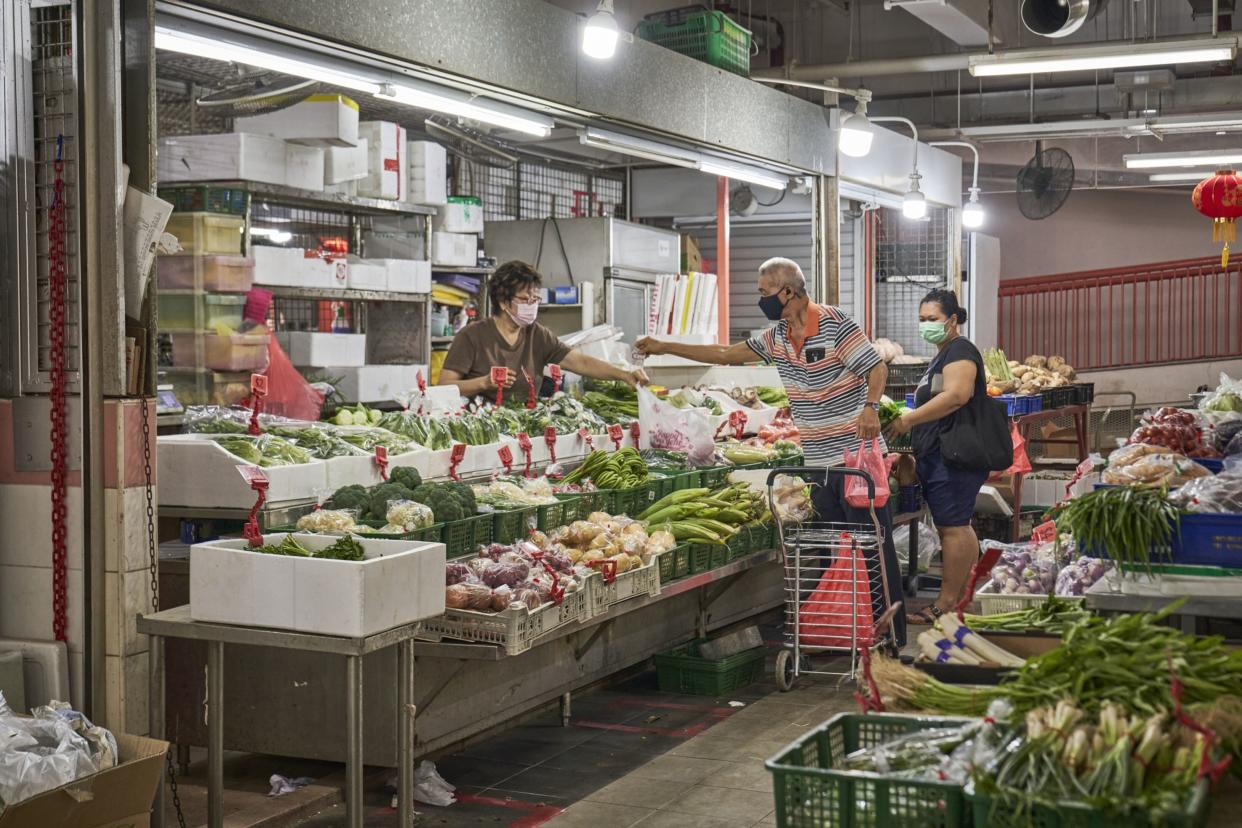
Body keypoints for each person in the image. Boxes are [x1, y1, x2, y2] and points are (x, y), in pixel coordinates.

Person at [636, 257, 905, 648]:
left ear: (788, 292)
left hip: (857, 460)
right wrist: (663, 346)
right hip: (818, 462)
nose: (761, 300)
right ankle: (848, 633)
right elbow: (726, 355)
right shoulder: (776, 337)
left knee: (873, 550)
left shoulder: (835, 323)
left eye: (764, 293)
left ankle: (890, 638)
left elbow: (876, 368)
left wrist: (871, 408)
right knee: (832, 550)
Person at [883, 288, 987, 625]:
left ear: (952, 320)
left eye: (933, 319)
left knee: (952, 528)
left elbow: (957, 395)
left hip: (953, 455)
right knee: (959, 525)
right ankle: (960, 599)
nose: (925, 325)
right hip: (942, 452)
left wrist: (908, 419)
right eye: (922, 320)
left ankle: (944, 603)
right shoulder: (944, 353)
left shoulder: (960, 350)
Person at [439, 260, 648, 399]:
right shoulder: (472, 336)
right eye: (524, 299)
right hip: (482, 429)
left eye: (535, 299)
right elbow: (444, 387)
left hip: (525, 426)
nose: (531, 304)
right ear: (503, 301)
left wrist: (623, 374)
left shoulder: (536, 334)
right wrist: (484, 382)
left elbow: (580, 362)